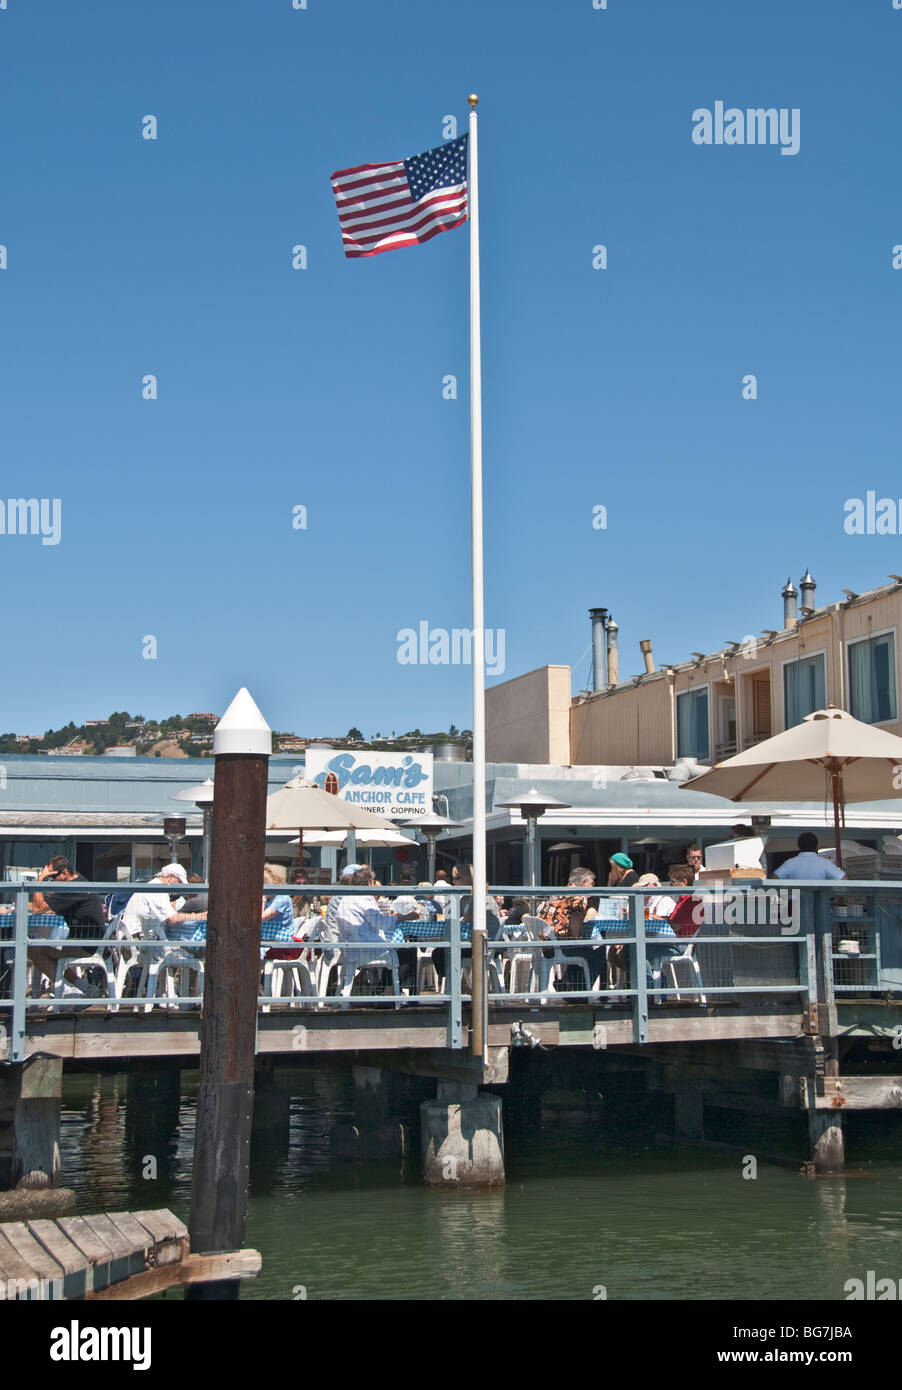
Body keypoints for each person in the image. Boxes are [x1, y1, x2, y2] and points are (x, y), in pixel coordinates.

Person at [24, 856, 107, 992]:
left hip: (85, 945)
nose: (51, 881)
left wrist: (40, 879)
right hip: (90, 942)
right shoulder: (78, 883)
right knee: (50, 953)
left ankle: (66, 992)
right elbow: (44, 907)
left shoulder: (71, 888)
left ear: (64, 873)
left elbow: (39, 908)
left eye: (52, 877)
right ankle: (83, 988)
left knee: (33, 950)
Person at [774, 833, 846, 880]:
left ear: (798, 846)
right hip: (819, 903)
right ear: (816, 846)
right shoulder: (825, 863)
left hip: (796, 902)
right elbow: (843, 879)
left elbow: (774, 878)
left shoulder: (790, 863)